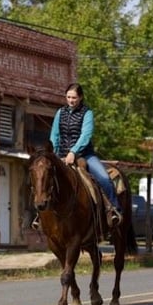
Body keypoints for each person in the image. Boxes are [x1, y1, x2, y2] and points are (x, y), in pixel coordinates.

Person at [32, 82, 122, 230]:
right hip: (61, 156)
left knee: (104, 177)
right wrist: (54, 155)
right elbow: (54, 135)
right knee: (44, 178)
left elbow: (85, 135)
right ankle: (40, 216)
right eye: (68, 97)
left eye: (74, 97)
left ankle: (113, 209)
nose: (71, 100)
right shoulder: (60, 113)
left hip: (85, 155)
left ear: (80, 97)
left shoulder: (87, 113)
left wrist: (73, 152)